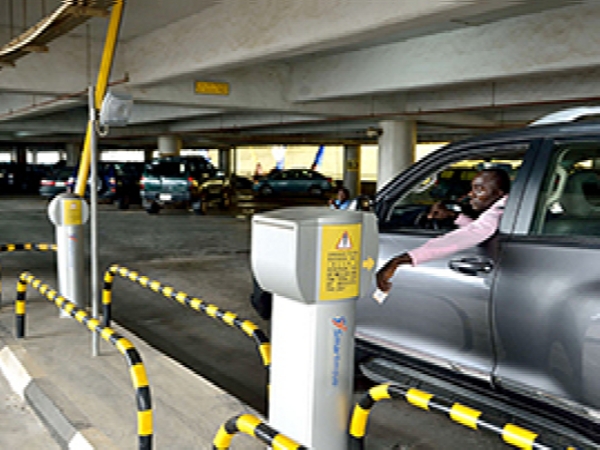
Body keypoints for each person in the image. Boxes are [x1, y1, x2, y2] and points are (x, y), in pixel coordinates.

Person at [376, 168, 511, 292]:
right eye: (472, 189)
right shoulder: (508, 207)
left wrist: (400, 260)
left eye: (479, 190)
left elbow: (468, 236)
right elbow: (482, 228)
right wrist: (454, 217)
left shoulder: (499, 210)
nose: (471, 194)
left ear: (499, 193)